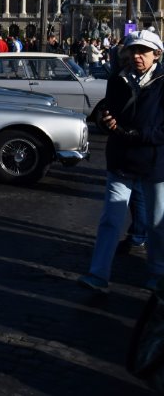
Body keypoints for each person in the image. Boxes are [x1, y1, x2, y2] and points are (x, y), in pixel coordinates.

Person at [78, 30, 164, 293]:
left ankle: (158, 273)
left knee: (157, 223)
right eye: (133, 50)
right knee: (110, 220)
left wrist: (138, 134)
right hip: (121, 158)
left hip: (154, 161)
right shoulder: (117, 79)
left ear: (157, 54)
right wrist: (106, 121)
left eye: (143, 51)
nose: (137, 56)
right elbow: (109, 111)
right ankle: (98, 274)